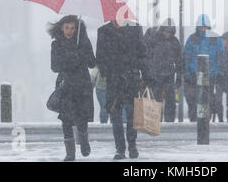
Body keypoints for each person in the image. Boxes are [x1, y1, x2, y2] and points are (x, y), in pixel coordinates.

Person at [96, 20, 150, 160]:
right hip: (113, 80)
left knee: (132, 114)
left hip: (131, 78)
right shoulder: (103, 31)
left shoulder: (135, 28)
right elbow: (100, 56)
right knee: (115, 115)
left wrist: (146, 75)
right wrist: (106, 72)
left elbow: (142, 53)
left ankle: (132, 145)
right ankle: (120, 149)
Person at [48, 15, 97, 162]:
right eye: (67, 28)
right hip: (66, 85)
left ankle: (84, 141)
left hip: (82, 85)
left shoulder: (83, 42)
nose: (69, 31)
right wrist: (71, 57)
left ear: (77, 29)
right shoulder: (57, 45)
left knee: (82, 118)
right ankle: (70, 153)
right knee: (66, 120)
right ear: (61, 28)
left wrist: (83, 50)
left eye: (72, 28)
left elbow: (92, 63)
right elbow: (54, 67)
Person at [184, 14, 224, 122]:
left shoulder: (215, 39)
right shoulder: (192, 39)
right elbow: (187, 56)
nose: (203, 29)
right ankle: (196, 121)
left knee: (207, 100)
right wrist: (188, 73)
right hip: (195, 75)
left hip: (211, 75)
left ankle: (204, 122)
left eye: (205, 27)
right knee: (194, 100)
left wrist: (218, 72)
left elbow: (220, 57)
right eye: (201, 27)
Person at [146, 19, 182, 123]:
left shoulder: (174, 42)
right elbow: (147, 57)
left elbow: (179, 62)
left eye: (171, 33)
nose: (169, 34)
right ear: (162, 30)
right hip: (156, 75)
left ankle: (168, 122)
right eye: (168, 32)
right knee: (156, 101)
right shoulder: (154, 40)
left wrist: (178, 78)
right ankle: (156, 122)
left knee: (170, 101)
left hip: (168, 76)